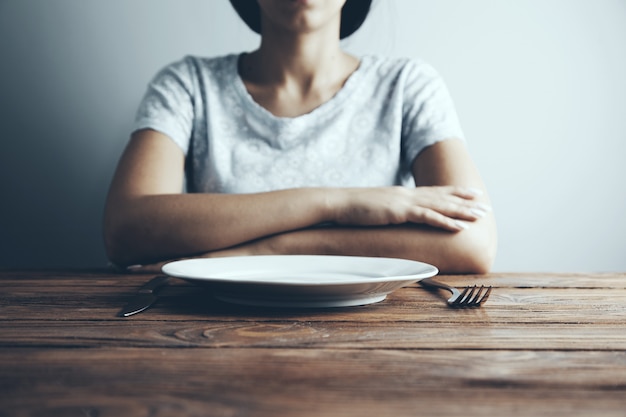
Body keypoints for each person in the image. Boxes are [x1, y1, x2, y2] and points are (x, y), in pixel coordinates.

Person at [103, 0, 497, 274]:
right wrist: (337, 203)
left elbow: (473, 243)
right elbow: (126, 230)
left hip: (379, 334)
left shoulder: (407, 85)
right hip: (212, 329)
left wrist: (271, 250)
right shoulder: (188, 85)